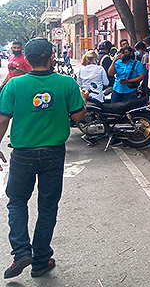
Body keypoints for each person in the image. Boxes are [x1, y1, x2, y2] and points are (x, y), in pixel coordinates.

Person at [0, 38, 87, 279]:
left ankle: (20, 252)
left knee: (17, 201)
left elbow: (2, 119)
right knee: (47, 206)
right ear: (51, 56)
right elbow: (79, 117)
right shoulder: (66, 83)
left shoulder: (14, 85)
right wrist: (84, 99)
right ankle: (40, 260)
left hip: (22, 153)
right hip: (53, 153)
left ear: (26, 59)